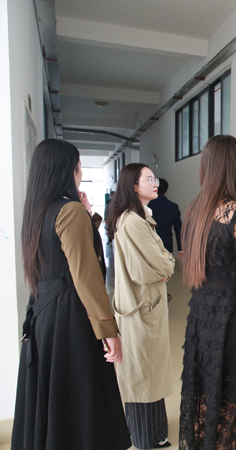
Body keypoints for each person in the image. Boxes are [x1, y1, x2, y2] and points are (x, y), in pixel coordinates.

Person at [12, 139, 130, 450]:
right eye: (78, 167)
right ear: (68, 170)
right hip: (70, 319)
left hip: (43, 317)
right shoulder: (70, 210)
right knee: (79, 401)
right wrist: (108, 329)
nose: (80, 173)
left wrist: (88, 217)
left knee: (54, 399)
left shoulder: (37, 211)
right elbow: (86, 276)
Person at [179, 135, 236, 450]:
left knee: (205, 396)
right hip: (232, 320)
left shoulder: (195, 210)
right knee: (232, 403)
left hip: (201, 317)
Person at [107, 163, 175, 449]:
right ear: (134, 186)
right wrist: (167, 265)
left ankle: (156, 432)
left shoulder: (138, 216)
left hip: (144, 305)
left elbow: (160, 260)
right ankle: (146, 438)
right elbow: (155, 266)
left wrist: (164, 263)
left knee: (149, 371)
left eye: (154, 178)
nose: (154, 183)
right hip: (140, 306)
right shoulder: (133, 221)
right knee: (143, 374)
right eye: (149, 179)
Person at [148, 178, 183, 258]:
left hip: (148, 243)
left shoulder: (146, 205)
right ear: (166, 190)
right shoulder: (173, 206)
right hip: (166, 245)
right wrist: (180, 248)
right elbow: (179, 229)